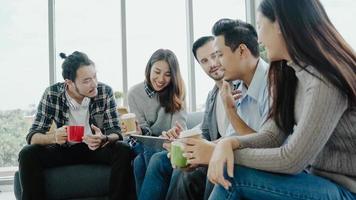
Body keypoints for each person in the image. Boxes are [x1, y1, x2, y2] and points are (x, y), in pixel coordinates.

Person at [208, 0, 356, 199]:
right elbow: (271, 137)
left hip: (346, 190)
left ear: (279, 25)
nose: (258, 39)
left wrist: (220, 154)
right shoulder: (289, 73)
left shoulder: (325, 80)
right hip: (315, 180)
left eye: (260, 25)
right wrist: (227, 144)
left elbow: (292, 160)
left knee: (233, 177)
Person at [166, 19, 270, 200]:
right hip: (248, 160)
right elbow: (231, 137)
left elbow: (269, 147)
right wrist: (193, 151)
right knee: (187, 172)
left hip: (271, 169)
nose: (217, 63)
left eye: (219, 54)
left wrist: (229, 113)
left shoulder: (273, 83)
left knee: (218, 169)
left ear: (242, 51)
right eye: (205, 60)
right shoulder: (240, 88)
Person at [18, 51, 135, 200]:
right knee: (27, 153)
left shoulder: (105, 92)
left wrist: (103, 138)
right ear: (69, 83)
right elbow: (33, 136)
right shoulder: (52, 94)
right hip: (64, 149)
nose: (94, 84)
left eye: (95, 77)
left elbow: (116, 132)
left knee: (123, 149)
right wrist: (54, 137)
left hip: (95, 148)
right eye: (86, 81)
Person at [124, 49, 187, 198]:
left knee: (139, 163)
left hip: (168, 145)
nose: (161, 79)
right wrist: (139, 132)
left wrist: (175, 132)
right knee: (145, 152)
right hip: (145, 143)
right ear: (149, 69)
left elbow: (180, 127)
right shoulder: (134, 93)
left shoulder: (177, 91)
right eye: (157, 72)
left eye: (167, 74)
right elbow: (142, 129)